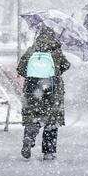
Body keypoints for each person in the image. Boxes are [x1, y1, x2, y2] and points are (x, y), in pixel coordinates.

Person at [17, 26, 70, 160]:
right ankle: (48, 152)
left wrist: (34, 75)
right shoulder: (56, 51)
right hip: (52, 90)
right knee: (51, 120)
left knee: (33, 115)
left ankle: (30, 135)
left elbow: (21, 68)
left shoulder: (32, 49)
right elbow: (66, 65)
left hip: (33, 90)